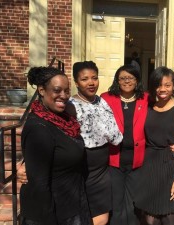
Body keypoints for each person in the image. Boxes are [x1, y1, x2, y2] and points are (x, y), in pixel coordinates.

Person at [101, 65, 174, 225]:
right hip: (114, 160)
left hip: (139, 162)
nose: (127, 81)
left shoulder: (146, 98)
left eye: (131, 78)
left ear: (137, 80)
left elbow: (163, 115)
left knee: (135, 205)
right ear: (117, 80)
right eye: (123, 78)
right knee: (116, 204)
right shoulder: (107, 98)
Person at [20, 67, 92, 225]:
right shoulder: (39, 128)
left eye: (67, 91)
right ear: (41, 90)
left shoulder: (64, 119)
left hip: (72, 202)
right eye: (57, 90)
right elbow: (39, 186)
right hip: (53, 213)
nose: (64, 96)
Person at [66, 61, 123, 225]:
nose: (91, 83)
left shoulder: (102, 101)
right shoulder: (70, 106)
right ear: (76, 82)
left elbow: (116, 136)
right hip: (80, 169)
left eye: (94, 78)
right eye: (84, 79)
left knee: (101, 219)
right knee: (81, 218)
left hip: (101, 171)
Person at [134, 66, 174, 225]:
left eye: (167, 85)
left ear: (173, 86)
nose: (162, 89)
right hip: (149, 167)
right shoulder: (148, 108)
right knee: (150, 219)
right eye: (158, 85)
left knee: (170, 218)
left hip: (170, 167)